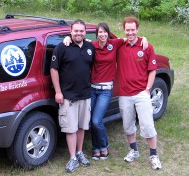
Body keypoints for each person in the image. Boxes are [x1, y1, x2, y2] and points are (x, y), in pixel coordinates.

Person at [63, 23, 148, 161]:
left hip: (105, 90)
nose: (103, 35)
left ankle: (104, 147)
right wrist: (67, 38)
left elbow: (131, 38)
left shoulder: (115, 43)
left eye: (105, 32)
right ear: (97, 34)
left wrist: (143, 38)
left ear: (108, 33)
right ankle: (96, 150)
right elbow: (77, 39)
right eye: (100, 32)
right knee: (91, 120)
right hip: (92, 88)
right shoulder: (92, 45)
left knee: (97, 120)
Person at [117, 16, 162, 170]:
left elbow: (152, 70)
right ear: (124, 30)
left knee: (148, 125)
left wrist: (148, 89)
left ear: (137, 30)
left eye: (133, 29)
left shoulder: (146, 47)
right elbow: (102, 44)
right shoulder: (119, 46)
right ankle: (133, 150)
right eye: (127, 29)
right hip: (124, 94)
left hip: (142, 92)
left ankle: (154, 155)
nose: (130, 32)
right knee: (128, 125)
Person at [50, 19, 95, 173]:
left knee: (82, 126)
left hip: (85, 94)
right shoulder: (62, 47)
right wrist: (58, 91)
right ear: (70, 30)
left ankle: (80, 152)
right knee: (70, 128)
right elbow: (54, 70)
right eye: (76, 31)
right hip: (68, 96)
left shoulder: (90, 47)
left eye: (81, 31)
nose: (78, 33)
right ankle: (72, 158)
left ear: (85, 32)